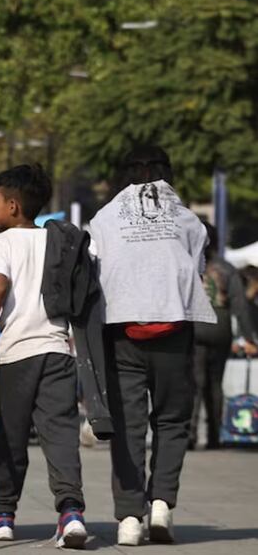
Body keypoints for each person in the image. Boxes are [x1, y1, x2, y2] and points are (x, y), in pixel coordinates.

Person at [88, 145, 216, 546]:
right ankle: (161, 504)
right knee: (172, 421)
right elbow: (196, 271)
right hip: (174, 331)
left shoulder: (104, 218)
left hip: (122, 332)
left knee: (127, 425)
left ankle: (129, 517)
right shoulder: (189, 220)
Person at [0, 165, 87, 547]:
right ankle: (71, 513)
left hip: (17, 354)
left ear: (13, 205)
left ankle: (2, 515)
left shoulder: (3, 242)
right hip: (57, 350)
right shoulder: (54, 240)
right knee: (61, 434)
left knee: (11, 436)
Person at [190, 223, 258, 450]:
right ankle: (214, 436)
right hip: (220, 327)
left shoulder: (189, 264)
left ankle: (190, 434)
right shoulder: (227, 269)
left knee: (195, 382)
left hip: (196, 328)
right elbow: (240, 306)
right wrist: (249, 338)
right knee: (215, 383)